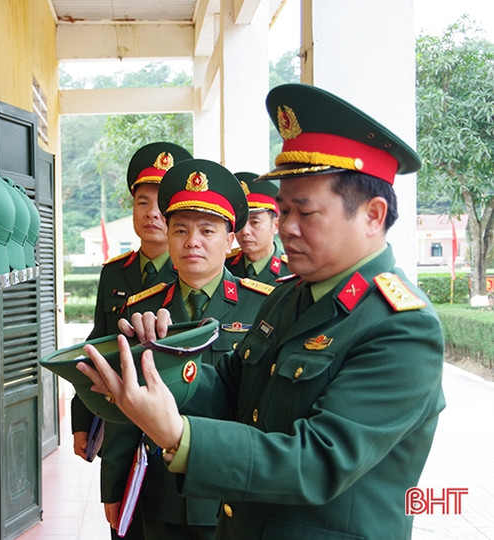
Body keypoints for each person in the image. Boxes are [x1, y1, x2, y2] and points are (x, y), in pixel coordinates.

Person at [77, 83, 445, 540]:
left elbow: (316, 460)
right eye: (283, 209)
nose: (286, 228)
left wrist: (177, 434)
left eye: (305, 213)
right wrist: (156, 364)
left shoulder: (402, 327)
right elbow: (236, 384)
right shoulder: (291, 294)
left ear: (373, 214)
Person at [103, 158, 275, 540]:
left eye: (207, 230)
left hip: (229, 484)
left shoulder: (266, 305)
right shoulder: (140, 308)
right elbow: (124, 409)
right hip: (159, 486)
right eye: (180, 229)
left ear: (229, 240)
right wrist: (114, 486)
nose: (192, 241)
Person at [71, 141, 191, 540]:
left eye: (162, 204)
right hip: (121, 428)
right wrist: (81, 420)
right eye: (142, 202)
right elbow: (99, 344)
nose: (152, 213)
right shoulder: (114, 274)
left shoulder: (192, 271)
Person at [225, 172, 290, 284]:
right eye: (241, 222)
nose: (245, 231)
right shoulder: (224, 266)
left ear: (276, 225)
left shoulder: (292, 271)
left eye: (255, 222)